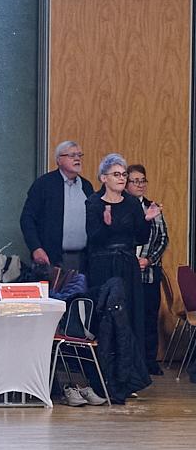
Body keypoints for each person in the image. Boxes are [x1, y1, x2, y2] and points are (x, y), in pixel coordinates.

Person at [86, 153, 159, 366]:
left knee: (130, 314)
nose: (121, 178)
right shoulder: (93, 202)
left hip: (127, 265)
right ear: (104, 178)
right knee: (106, 315)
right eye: (116, 174)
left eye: (124, 174)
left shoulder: (132, 203)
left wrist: (147, 220)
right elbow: (93, 238)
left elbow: (140, 238)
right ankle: (105, 369)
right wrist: (107, 224)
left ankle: (129, 370)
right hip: (103, 266)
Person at [20, 140, 94, 272]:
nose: (77, 159)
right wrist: (36, 248)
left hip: (83, 258)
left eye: (79, 155)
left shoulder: (86, 186)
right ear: (59, 160)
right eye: (72, 155)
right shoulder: (44, 184)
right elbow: (27, 219)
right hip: (51, 258)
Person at [125, 164, 168, 376]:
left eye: (143, 180)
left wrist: (149, 260)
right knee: (129, 318)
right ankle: (131, 362)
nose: (140, 185)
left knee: (150, 318)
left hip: (149, 274)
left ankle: (150, 361)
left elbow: (163, 239)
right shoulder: (121, 207)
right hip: (127, 273)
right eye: (135, 181)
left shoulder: (154, 208)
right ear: (126, 184)